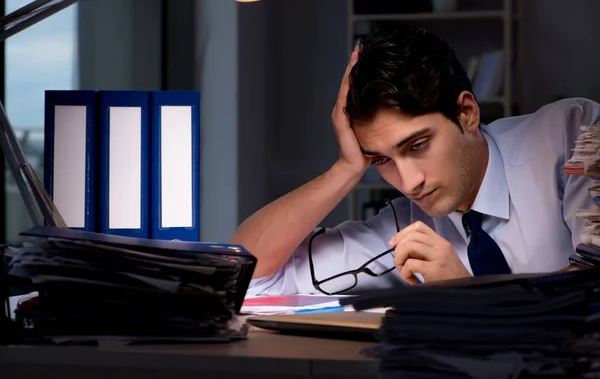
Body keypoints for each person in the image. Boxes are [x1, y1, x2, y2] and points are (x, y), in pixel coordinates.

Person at [230, 25, 600, 296]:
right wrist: (345, 170)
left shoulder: (573, 134)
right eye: (381, 160)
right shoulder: (408, 226)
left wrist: (465, 294)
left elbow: (592, 286)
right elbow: (248, 276)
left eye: (417, 145)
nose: (408, 183)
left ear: (467, 112)